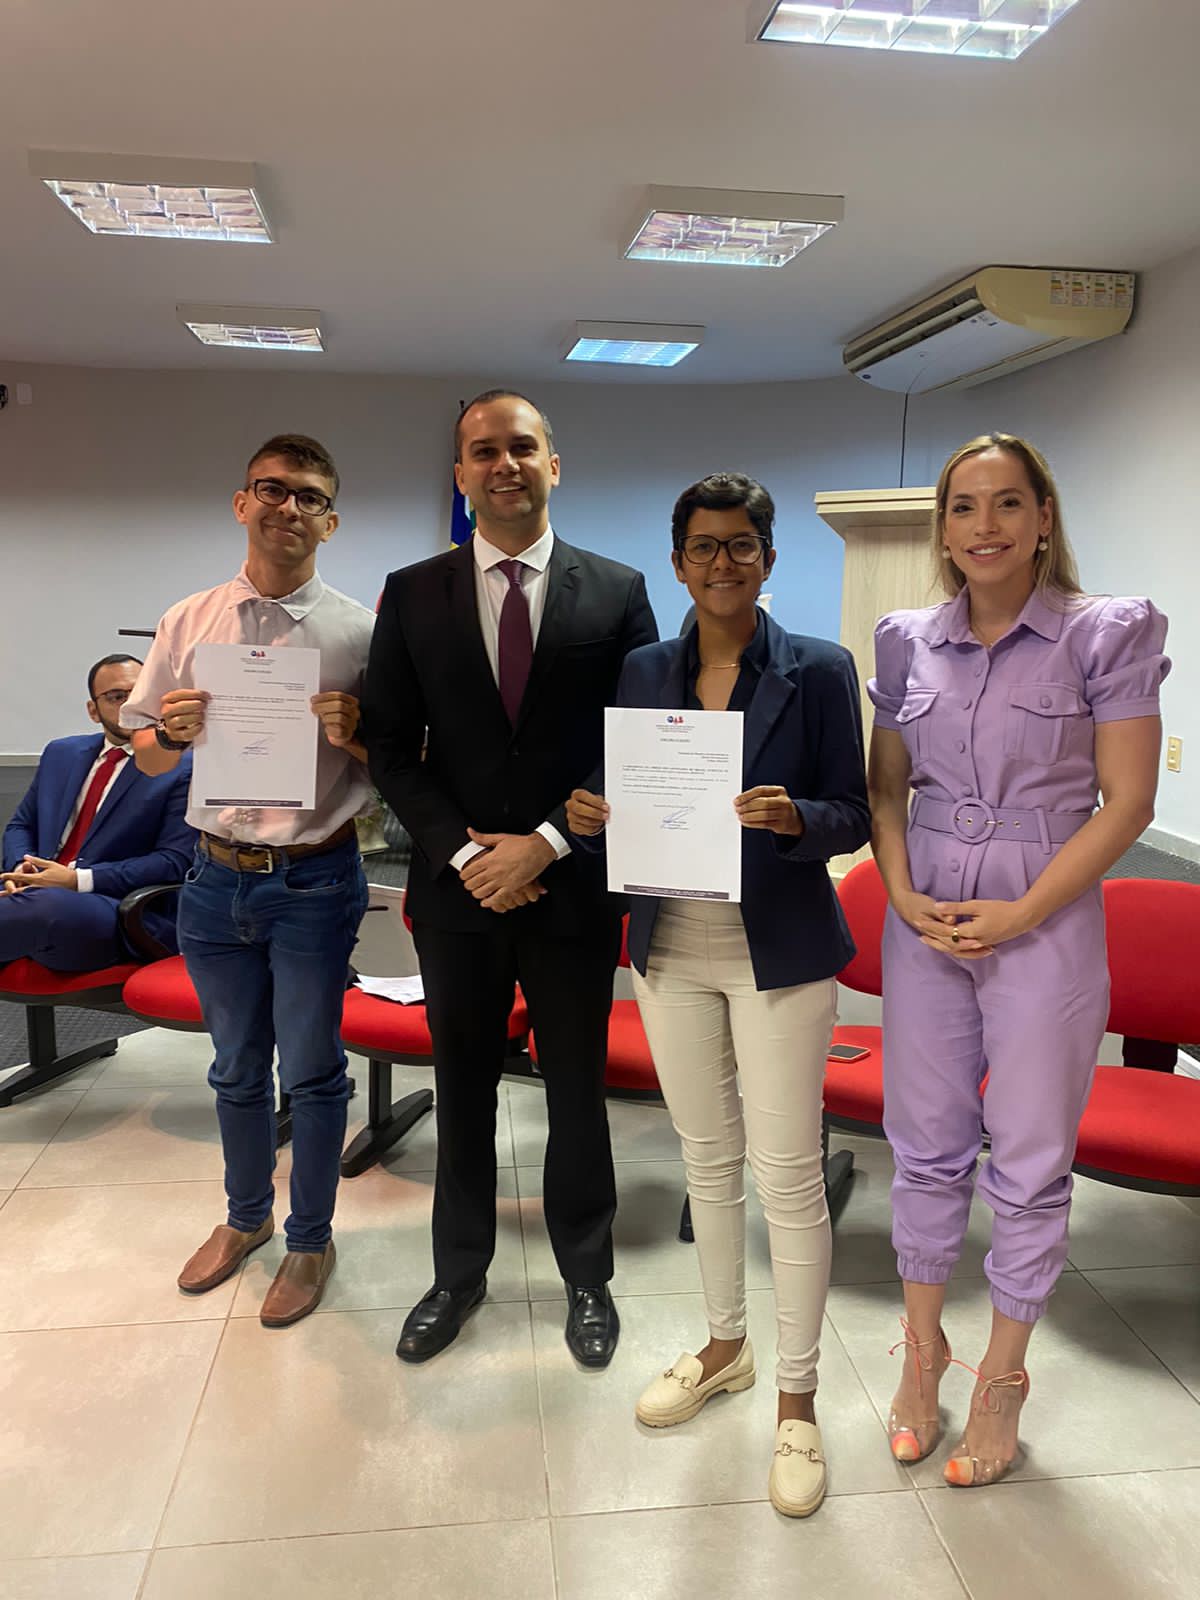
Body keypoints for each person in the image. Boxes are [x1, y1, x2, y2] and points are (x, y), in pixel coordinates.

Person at [567, 472, 871, 1517]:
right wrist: (593, 812)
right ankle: (726, 1347)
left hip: (779, 949)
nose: (723, 562)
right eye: (703, 546)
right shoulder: (645, 668)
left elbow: (853, 811)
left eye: (742, 545)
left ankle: (798, 1398)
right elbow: (626, 790)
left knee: (787, 1176)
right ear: (678, 561)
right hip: (670, 947)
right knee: (706, 1160)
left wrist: (797, 820)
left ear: (769, 558)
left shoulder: (819, 668)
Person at [867, 432, 1168, 1487]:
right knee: (924, 1143)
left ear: (1044, 518)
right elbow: (886, 788)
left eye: (1006, 503)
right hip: (926, 912)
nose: (984, 525)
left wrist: (1022, 911)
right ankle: (922, 1354)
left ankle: (1001, 1375)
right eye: (963, 506)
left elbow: (1130, 801)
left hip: (1045, 909)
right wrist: (899, 890)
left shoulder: (1105, 631)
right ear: (942, 527)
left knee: (1031, 1156)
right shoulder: (905, 639)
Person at [362, 389, 658, 1368]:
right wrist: (467, 853)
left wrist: (546, 842)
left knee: (577, 1090)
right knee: (463, 1088)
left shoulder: (617, 590)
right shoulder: (412, 593)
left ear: (553, 464)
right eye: (483, 451)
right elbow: (391, 747)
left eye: (522, 447)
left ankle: (587, 1273)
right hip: (458, 897)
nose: (504, 465)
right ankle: (457, 1273)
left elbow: (638, 743)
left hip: (572, 889)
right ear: (460, 475)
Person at [120, 434, 374, 1327]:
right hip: (212, 877)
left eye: (309, 497)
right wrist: (171, 734)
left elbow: (399, 764)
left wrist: (356, 733)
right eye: (271, 489)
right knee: (233, 1069)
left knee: (311, 1071)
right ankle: (246, 1218)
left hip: (314, 880)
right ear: (242, 503)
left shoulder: (359, 633)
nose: (288, 507)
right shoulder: (189, 620)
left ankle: (311, 1239)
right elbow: (146, 754)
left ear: (331, 522)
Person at [2, 653, 193, 969]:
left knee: (46, 907)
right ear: (93, 710)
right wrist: (22, 869)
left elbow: (174, 862)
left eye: (141, 693)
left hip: (118, 909)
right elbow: (21, 825)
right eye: (117, 697)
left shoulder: (183, 765)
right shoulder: (62, 753)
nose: (132, 705)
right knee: (36, 906)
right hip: (34, 894)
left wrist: (75, 880)